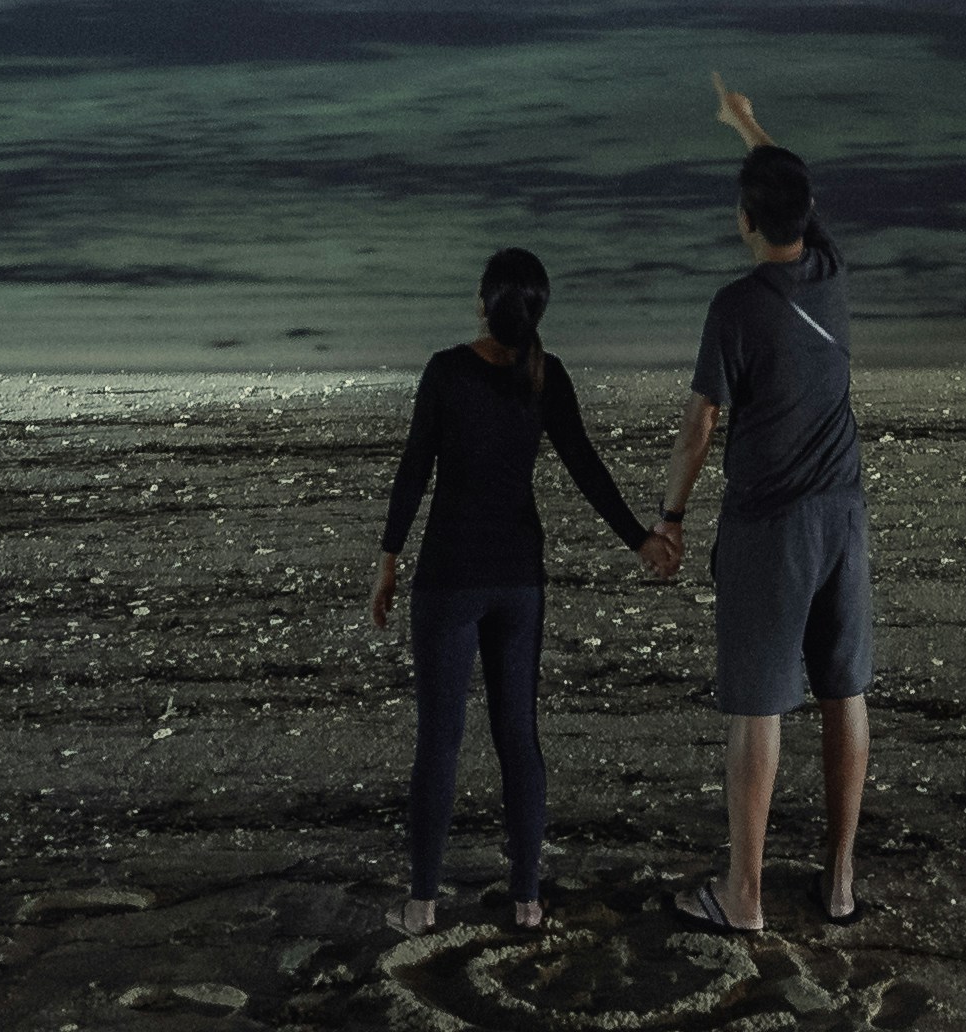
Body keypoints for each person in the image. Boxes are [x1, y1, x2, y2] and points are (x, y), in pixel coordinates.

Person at [370, 244, 678, 935]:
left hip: (450, 576)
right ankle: (528, 902)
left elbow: (414, 469)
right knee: (519, 737)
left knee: (440, 741)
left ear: (482, 301)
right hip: (518, 580)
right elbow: (586, 469)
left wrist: (388, 558)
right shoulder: (546, 376)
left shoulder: (447, 372)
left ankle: (421, 905)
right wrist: (641, 539)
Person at [654, 73, 869, 934]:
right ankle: (840, 882)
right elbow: (793, 193)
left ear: (744, 222)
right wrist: (746, 125)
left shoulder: (736, 308)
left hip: (771, 527)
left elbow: (699, 428)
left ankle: (744, 894)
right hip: (843, 520)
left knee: (757, 705)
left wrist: (669, 518)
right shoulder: (829, 270)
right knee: (843, 694)